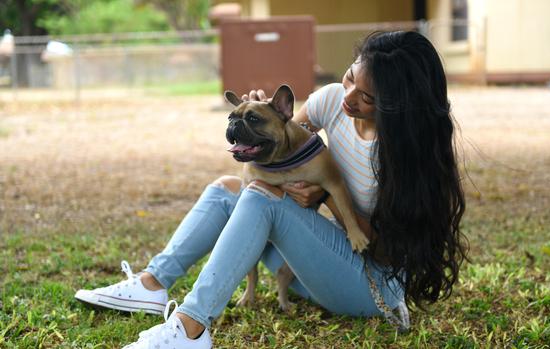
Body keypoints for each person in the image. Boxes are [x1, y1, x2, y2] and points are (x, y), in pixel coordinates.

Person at [75, 31, 468, 349]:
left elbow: (383, 248)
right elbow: (286, 150)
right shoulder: (332, 101)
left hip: (368, 285)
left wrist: (326, 194)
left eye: (366, 97)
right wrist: (262, 119)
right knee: (229, 187)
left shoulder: (403, 155)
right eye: (350, 78)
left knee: (264, 198)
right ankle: (153, 284)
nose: (348, 97)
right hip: (308, 273)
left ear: (398, 105)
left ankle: (191, 326)